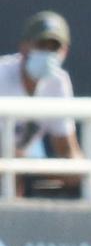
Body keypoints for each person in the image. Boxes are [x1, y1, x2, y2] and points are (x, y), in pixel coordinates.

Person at [1, 12, 83, 197]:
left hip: (22, 168)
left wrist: (84, 173)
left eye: (53, 47)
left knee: (81, 178)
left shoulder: (58, 83)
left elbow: (67, 149)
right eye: (41, 45)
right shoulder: (2, 75)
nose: (47, 53)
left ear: (64, 52)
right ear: (24, 47)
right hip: (12, 169)